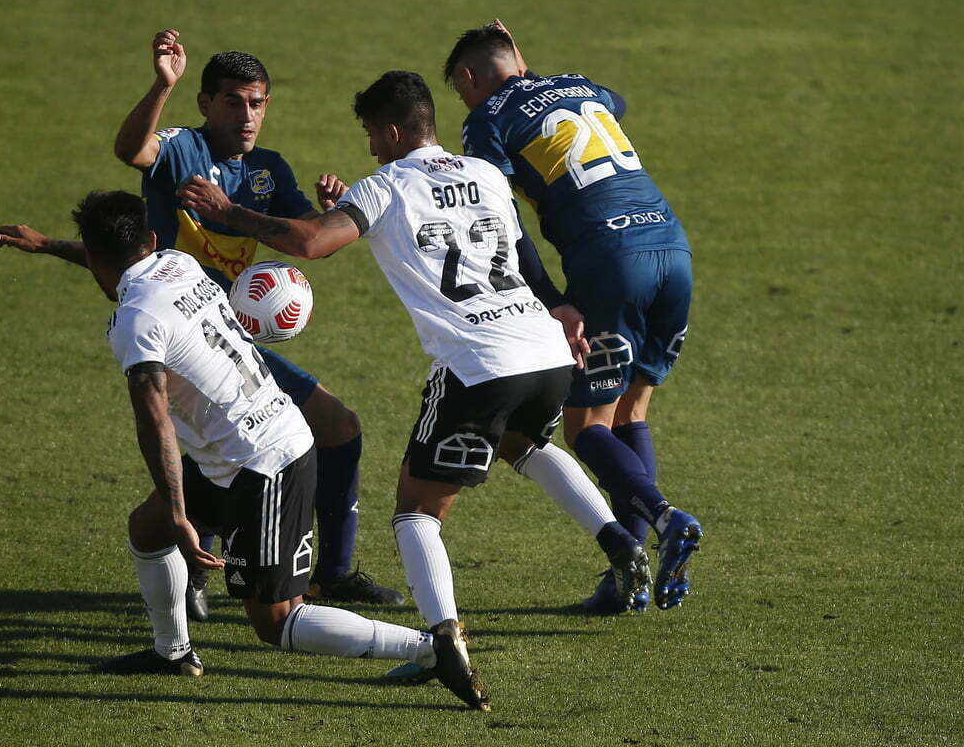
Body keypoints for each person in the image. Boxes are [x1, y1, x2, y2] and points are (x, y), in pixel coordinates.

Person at [178, 71, 652, 711]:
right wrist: (559, 305)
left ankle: (444, 638)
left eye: (372, 135)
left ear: (394, 130)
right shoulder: (485, 173)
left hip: (479, 363)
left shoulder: (386, 185)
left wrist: (228, 212)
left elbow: (312, 243)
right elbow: (517, 253)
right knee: (525, 445)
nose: (371, 148)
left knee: (416, 511)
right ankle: (618, 540)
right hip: (544, 349)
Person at [0, 29, 403, 619]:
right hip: (185, 339)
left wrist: (331, 209)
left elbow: (307, 237)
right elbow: (131, 152)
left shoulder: (267, 170)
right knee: (230, 447)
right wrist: (163, 86)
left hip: (228, 337)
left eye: (257, 103)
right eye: (233, 101)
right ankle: (198, 570)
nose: (246, 115)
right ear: (206, 102)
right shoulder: (181, 149)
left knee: (335, 428)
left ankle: (325, 576)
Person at [51, 189, 476, 708]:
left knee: (276, 620)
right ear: (152, 239)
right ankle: (173, 652)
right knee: (148, 527)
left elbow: (155, 422)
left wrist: (181, 513)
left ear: (96, 256)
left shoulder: (135, 322)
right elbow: (117, 267)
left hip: (265, 461)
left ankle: (432, 648)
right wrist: (48, 246)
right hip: (240, 449)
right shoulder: (179, 264)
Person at [441, 22, 702, 613]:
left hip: (611, 261)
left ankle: (666, 519)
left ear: (469, 77)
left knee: (585, 428)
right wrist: (531, 73)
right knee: (631, 409)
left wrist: (549, 295)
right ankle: (627, 585)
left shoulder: (485, 120)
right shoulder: (583, 86)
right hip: (673, 250)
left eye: (461, 90)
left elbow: (499, 216)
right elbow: (614, 104)